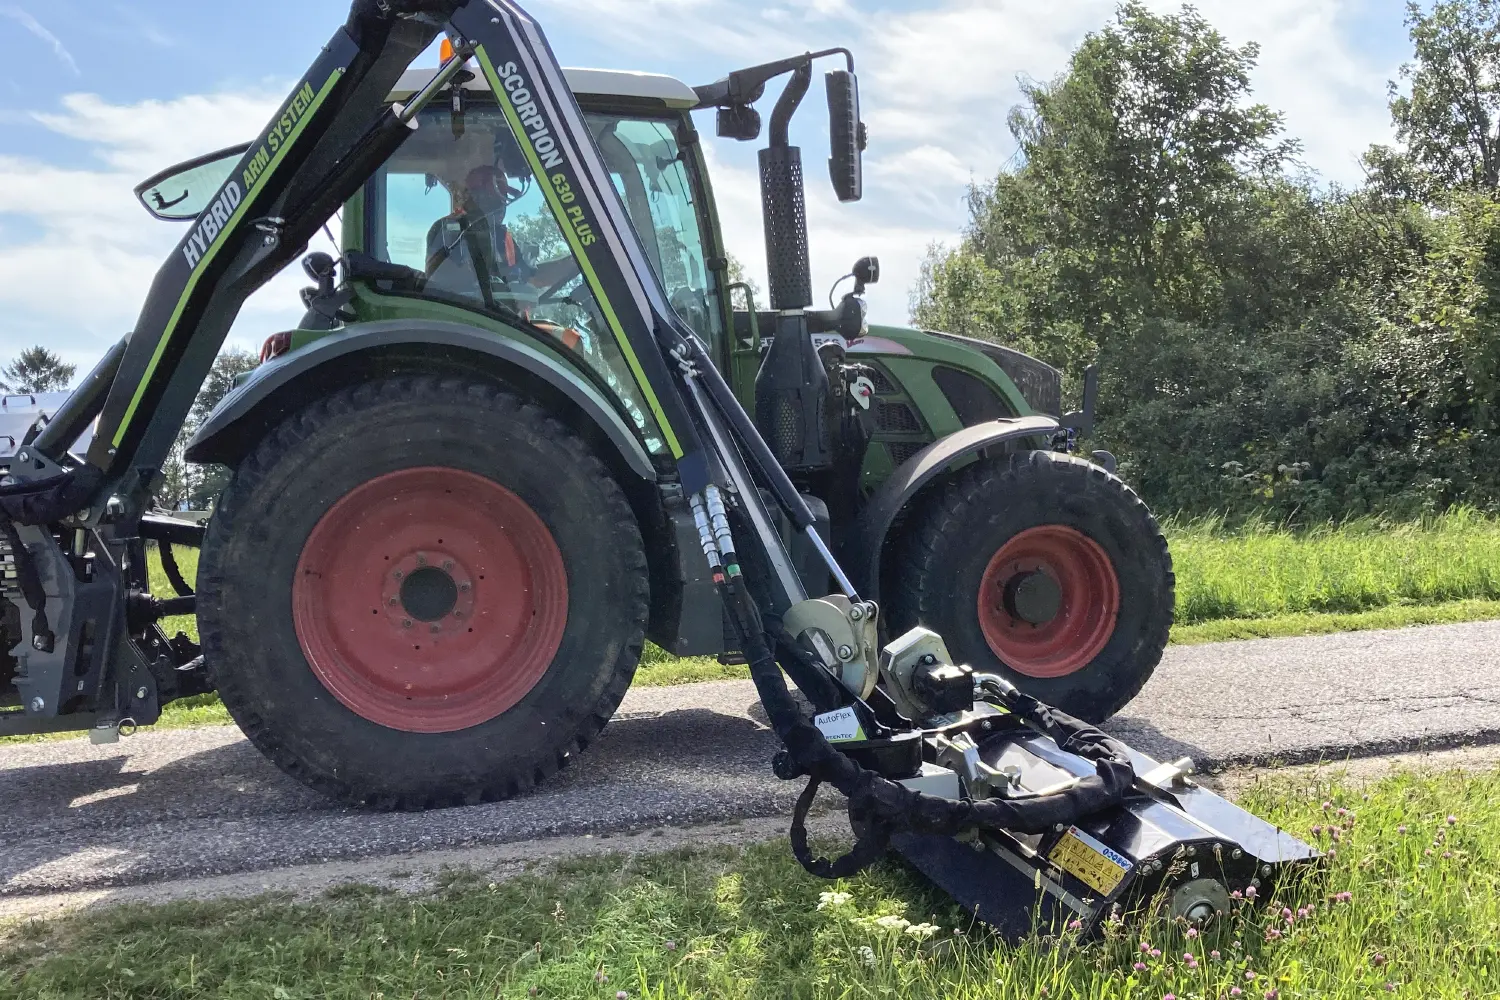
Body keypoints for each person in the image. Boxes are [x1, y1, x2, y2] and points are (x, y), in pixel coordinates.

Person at [423, 157, 577, 310]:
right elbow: (440, 279)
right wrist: (500, 287)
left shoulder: (502, 237)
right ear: (475, 196)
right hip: (464, 314)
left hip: (503, 317)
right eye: (496, 199)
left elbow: (533, 278)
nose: (503, 205)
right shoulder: (448, 229)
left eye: (503, 199)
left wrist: (573, 262)